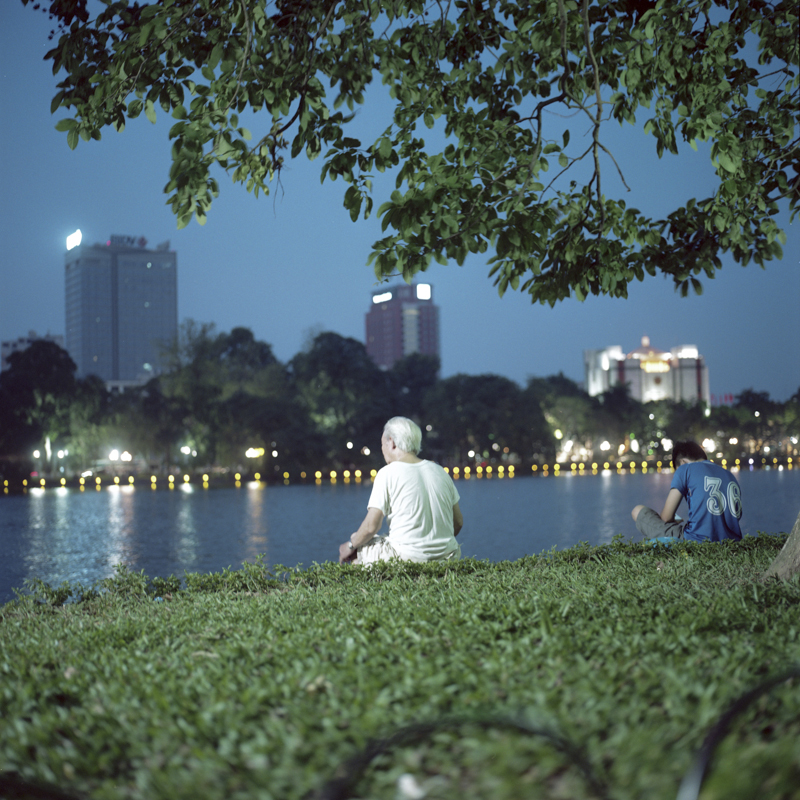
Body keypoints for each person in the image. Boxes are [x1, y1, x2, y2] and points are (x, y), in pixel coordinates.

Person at [339, 416, 463, 565]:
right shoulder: (440, 471)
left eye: (382, 444)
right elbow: (458, 522)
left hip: (407, 558)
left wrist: (350, 545)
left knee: (358, 544)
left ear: (391, 442)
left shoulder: (387, 473)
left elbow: (371, 527)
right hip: (449, 556)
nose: (382, 450)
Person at [631, 440, 743, 542]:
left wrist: (672, 520)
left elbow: (665, 518)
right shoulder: (729, 475)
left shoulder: (685, 469)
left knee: (637, 511)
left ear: (682, 462)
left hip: (696, 541)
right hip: (732, 542)